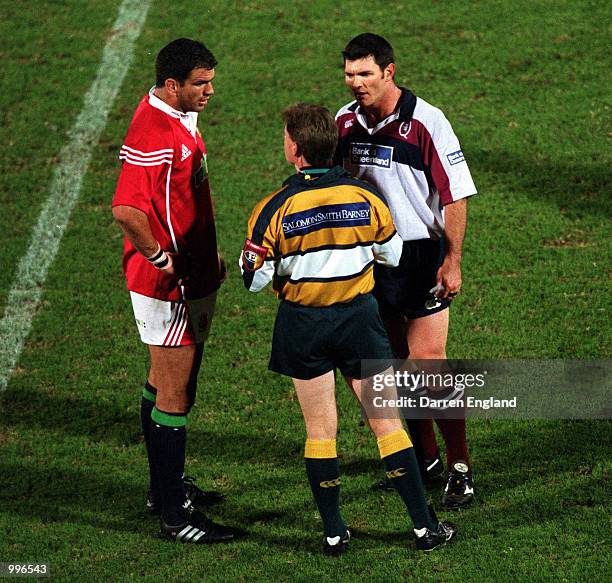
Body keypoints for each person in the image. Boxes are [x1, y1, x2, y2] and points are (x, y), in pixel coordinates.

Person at [240, 103, 456, 554]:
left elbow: (254, 279)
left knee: (321, 431)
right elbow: (392, 255)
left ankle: (335, 532)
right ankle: (423, 527)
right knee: (387, 425)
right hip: (359, 320)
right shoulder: (366, 198)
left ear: (294, 150)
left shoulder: (272, 208)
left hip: (304, 326)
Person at [335, 33, 477, 509]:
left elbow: (455, 194)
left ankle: (460, 469)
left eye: (366, 74)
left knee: (428, 367)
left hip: (420, 258)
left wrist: (452, 259)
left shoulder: (427, 122)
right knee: (395, 365)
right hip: (373, 258)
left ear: (389, 72)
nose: (357, 83)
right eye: (351, 74)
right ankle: (426, 458)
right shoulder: (344, 122)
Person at [112, 38, 244, 543]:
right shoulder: (154, 133)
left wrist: (203, 251)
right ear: (173, 84)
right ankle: (175, 516)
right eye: (200, 83)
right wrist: (162, 258)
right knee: (174, 391)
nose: (210, 91)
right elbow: (127, 209)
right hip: (167, 285)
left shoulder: (178, 116)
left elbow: (177, 199)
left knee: (167, 382)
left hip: (191, 273)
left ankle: (164, 488)